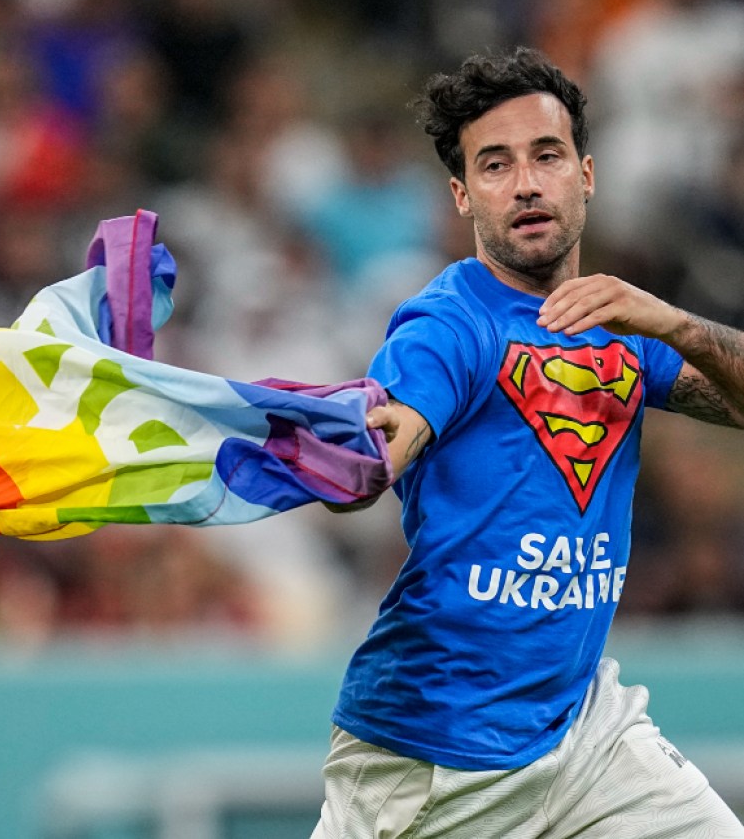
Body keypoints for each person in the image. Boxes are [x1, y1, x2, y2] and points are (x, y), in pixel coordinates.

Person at [315, 47, 744, 837]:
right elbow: (403, 419)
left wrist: (675, 324)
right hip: (431, 751)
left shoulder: (617, 325)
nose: (525, 184)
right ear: (461, 195)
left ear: (585, 174)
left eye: (545, 156)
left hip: (585, 730)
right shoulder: (446, 324)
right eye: (494, 165)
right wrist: (376, 451)